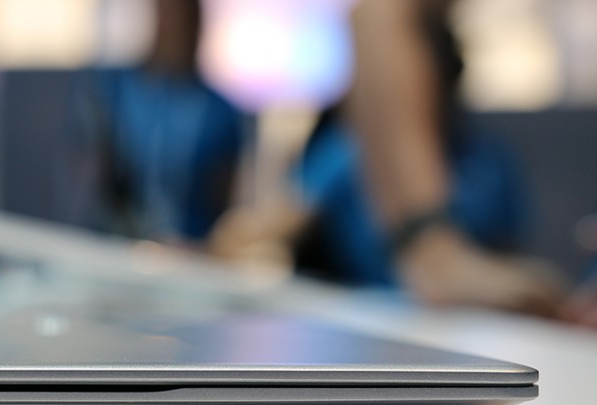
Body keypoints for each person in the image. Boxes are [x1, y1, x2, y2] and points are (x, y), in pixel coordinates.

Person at [212, 0, 571, 317]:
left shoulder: (489, 159)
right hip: (381, 310)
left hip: (465, 321)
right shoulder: (348, 153)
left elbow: (502, 255)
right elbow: (261, 229)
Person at [61, 0, 244, 244]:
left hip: (188, 254)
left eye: (180, 16)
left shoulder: (219, 112)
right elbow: (88, 183)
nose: (171, 25)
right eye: (164, 13)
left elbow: (222, 207)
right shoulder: (113, 91)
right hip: (114, 248)